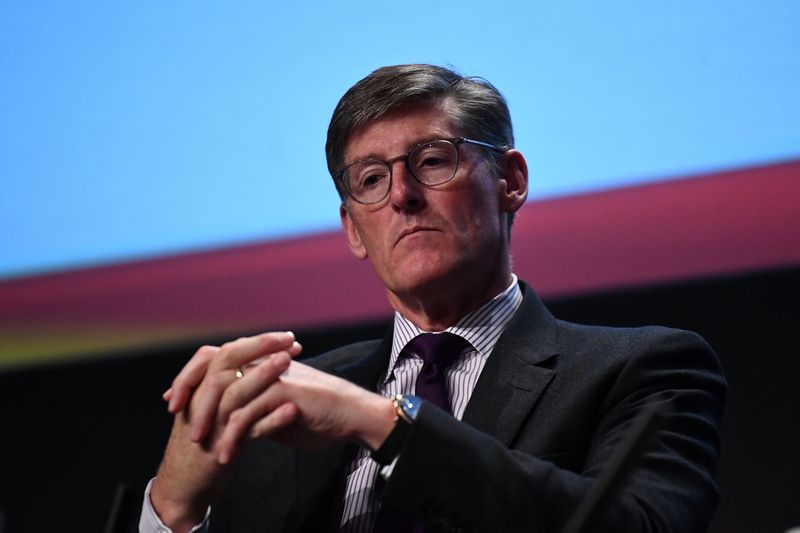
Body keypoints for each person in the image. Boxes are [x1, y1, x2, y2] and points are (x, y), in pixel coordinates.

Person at [140, 64, 726, 533]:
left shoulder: (643, 370)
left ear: (511, 181)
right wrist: (172, 508)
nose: (401, 196)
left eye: (432, 161)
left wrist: (383, 421)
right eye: (371, 179)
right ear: (352, 229)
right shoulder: (276, 413)